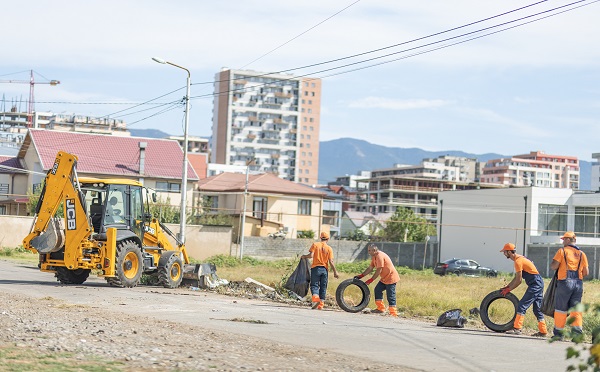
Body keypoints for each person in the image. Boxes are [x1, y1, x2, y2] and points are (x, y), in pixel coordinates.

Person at [499, 243, 548, 336]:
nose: (504, 253)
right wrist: (508, 287)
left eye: (504, 252)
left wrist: (509, 290)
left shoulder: (518, 261)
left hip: (535, 284)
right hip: (538, 282)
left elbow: (519, 280)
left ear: (509, 252)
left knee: (522, 305)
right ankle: (543, 331)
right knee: (537, 309)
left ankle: (517, 328)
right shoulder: (519, 259)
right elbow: (516, 277)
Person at [550, 231, 589, 340]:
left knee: (561, 309)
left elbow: (554, 266)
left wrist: (555, 264)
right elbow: (586, 272)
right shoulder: (582, 254)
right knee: (576, 310)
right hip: (578, 284)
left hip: (565, 283)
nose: (562, 242)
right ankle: (577, 335)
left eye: (563, 240)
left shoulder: (562, 251)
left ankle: (559, 334)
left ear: (568, 240)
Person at [354, 244, 400, 317]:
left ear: (374, 250)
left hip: (391, 278)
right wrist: (361, 276)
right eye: (368, 250)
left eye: (369, 250)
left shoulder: (379, 256)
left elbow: (379, 270)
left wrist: (371, 280)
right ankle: (380, 309)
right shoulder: (374, 257)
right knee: (377, 290)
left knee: (390, 295)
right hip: (384, 278)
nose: (368, 252)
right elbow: (370, 268)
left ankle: (393, 313)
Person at [300, 231, 339, 310]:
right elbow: (331, 261)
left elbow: (311, 256)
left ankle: (315, 299)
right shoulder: (329, 248)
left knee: (314, 285)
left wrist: (304, 256)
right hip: (324, 270)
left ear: (320, 238)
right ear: (327, 239)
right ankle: (321, 305)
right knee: (323, 286)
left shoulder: (315, 245)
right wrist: (335, 272)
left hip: (315, 268)